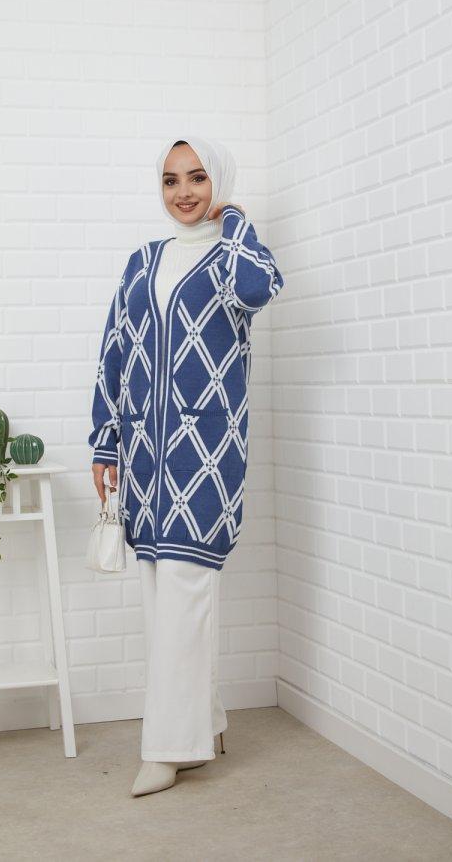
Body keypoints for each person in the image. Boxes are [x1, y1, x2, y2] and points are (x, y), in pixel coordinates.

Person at [88, 135, 284, 796]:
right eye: (171, 180)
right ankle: (208, 724)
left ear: (218, 183)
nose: (183, 192)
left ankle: (168, 750)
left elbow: (256, 290)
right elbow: (115, 352)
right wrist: (105, 442)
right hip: (145, 457)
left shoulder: (238, 257)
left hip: (207, 458)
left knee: (183, 594)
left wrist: (237, 221)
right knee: (165, 599)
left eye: (198, 177)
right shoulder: (142, 262)